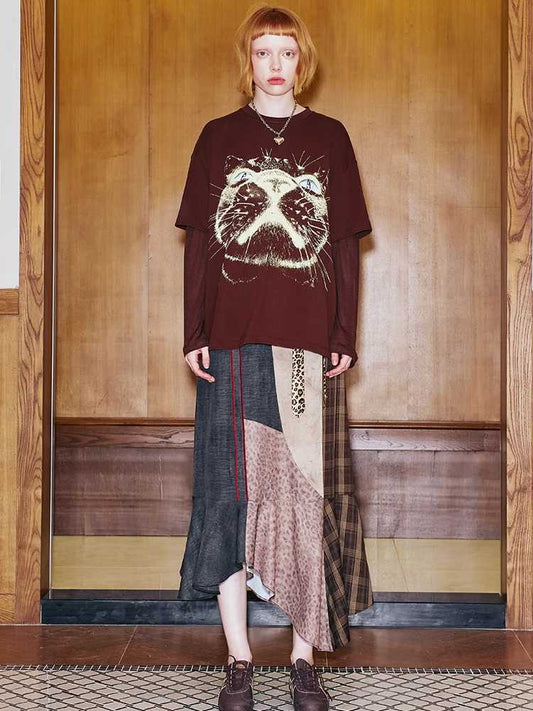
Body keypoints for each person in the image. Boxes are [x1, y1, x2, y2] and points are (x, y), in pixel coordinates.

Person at [174, 5, 374, 710]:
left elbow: (344, 247)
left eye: (287, 51)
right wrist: (194, 329)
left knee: (303, 499)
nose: (276, 64)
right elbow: (199, 245)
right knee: (227, 496)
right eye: (263, 51)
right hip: (230, 343)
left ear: (302, 61)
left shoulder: (330, 137)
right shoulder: (217, 137)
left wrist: (343, 334)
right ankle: (237, 659)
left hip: (303, 347)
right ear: (248, 61)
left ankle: (302, 658)